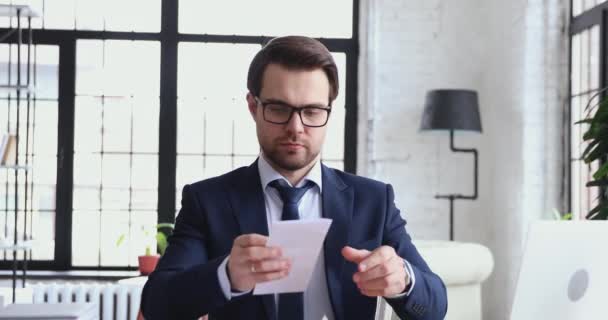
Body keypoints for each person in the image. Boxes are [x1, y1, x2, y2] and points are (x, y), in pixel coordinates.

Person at [141, 35, 447, 320]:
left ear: (329, 111)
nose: (296, 127)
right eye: (279, 108)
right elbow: (157, 305)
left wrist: (403, 279)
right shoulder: (208, 201)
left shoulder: (374, 200)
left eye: (312, 112)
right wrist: (226, 275)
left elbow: (435, 307)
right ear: (253, 106)